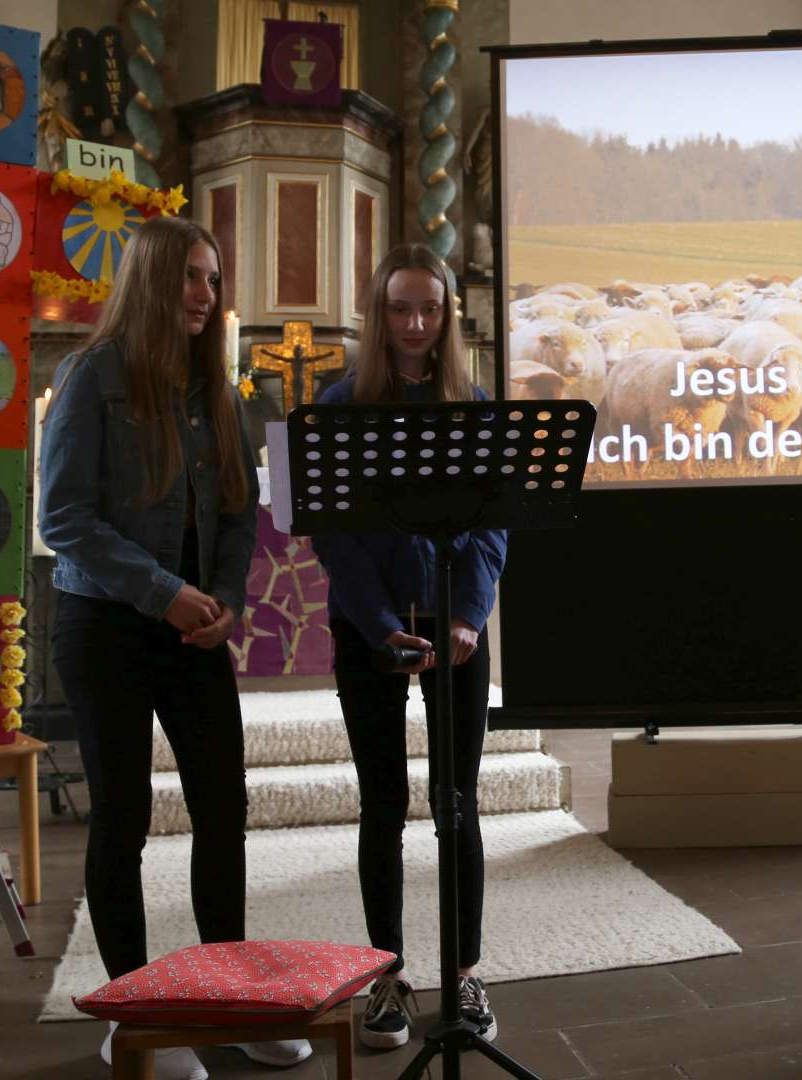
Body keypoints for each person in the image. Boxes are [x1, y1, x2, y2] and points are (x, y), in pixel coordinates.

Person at [39, 216, 308, 1078]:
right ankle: (137, 1019)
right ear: (155, 281)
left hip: (194, 631)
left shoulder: (213, 386)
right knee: (122, 818)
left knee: (222, 810)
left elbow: (236, 509)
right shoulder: (93, 375)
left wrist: (224, 598)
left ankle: (227, 998)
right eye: (192, 276)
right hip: (107, 626)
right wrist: (165, 592)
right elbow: (63, 517)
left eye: (213, 279)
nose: (206, 294)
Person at [311, 244, 508, 1050]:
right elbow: (335, 531)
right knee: (383, 803)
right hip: (370, 627)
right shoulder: (341, 403)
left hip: (454, 623)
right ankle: (385, 976)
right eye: (401, 308)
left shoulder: (473, 403)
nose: (417, 323)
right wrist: (377, 620)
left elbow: (492, 525)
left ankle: (464, 972)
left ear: (448, 313)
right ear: (378, 313)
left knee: (456, 802)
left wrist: (467, 613)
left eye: (430, 308)